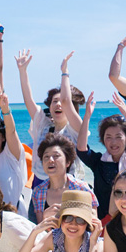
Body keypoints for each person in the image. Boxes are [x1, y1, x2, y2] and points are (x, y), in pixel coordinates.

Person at [77, 91, 126, 219]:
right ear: (103, 140)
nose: (113, 142)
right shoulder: (99, 162)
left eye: (118, 137)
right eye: (108, 137)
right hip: (104, 220)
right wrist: (87, 116)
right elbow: (81, 149)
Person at [17, 49, 85, 182]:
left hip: (68, 183)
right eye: (54, 102)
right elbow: (28, 100)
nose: (59, 104)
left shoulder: (75, 129)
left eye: (62, 102)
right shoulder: (43, 125)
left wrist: (65, 73)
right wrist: (22, 71)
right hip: (41, 181)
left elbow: (66, 101)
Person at [29, 134, 97, 223]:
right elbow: (40, 232)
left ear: (68, 162)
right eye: (46, 157)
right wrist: (45, 218)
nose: (50, 160)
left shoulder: (82, 188)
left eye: (56, 156)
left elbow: (93, 224)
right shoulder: (38, 191)